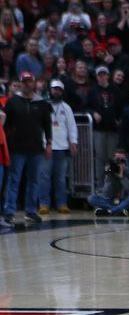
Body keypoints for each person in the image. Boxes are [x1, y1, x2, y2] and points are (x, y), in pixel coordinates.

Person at [3, 71, 52, 225]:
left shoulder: (42, 103)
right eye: (24, 81)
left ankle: (31, 211)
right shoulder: (13, 101)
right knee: (14, 180)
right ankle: (10, 211)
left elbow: (47, 125)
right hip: (17, 148)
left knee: (34, 181)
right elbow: (6, 125)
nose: (27, 84)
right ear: (21, 82)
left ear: (34, 82)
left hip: (36, 148)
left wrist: (49, 143)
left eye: (29, 81)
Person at [37, 79, 77, 215]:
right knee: (44, 177)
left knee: (60, 178)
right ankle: (44, 204)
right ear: (50, 89)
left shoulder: (66, 107)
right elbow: (39, 126)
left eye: (59, 89)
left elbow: (72, 126)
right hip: (46, 146)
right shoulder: (42, 105)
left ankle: (62, 204)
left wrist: (74, 142)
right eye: (54, 89)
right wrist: (42, 143)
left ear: (62, 91)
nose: (56, 91)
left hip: (62, 147)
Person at [89, 149, 129, 217]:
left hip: (124, 200)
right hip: (111, 200)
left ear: (126, 161)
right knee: (92, 198)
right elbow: (106, 193)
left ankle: (109, 211)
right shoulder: (110, 172)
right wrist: (109, 176)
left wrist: (122, 177)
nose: (120, 163)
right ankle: (118, 210)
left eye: (122, 161)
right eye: (117, 160)